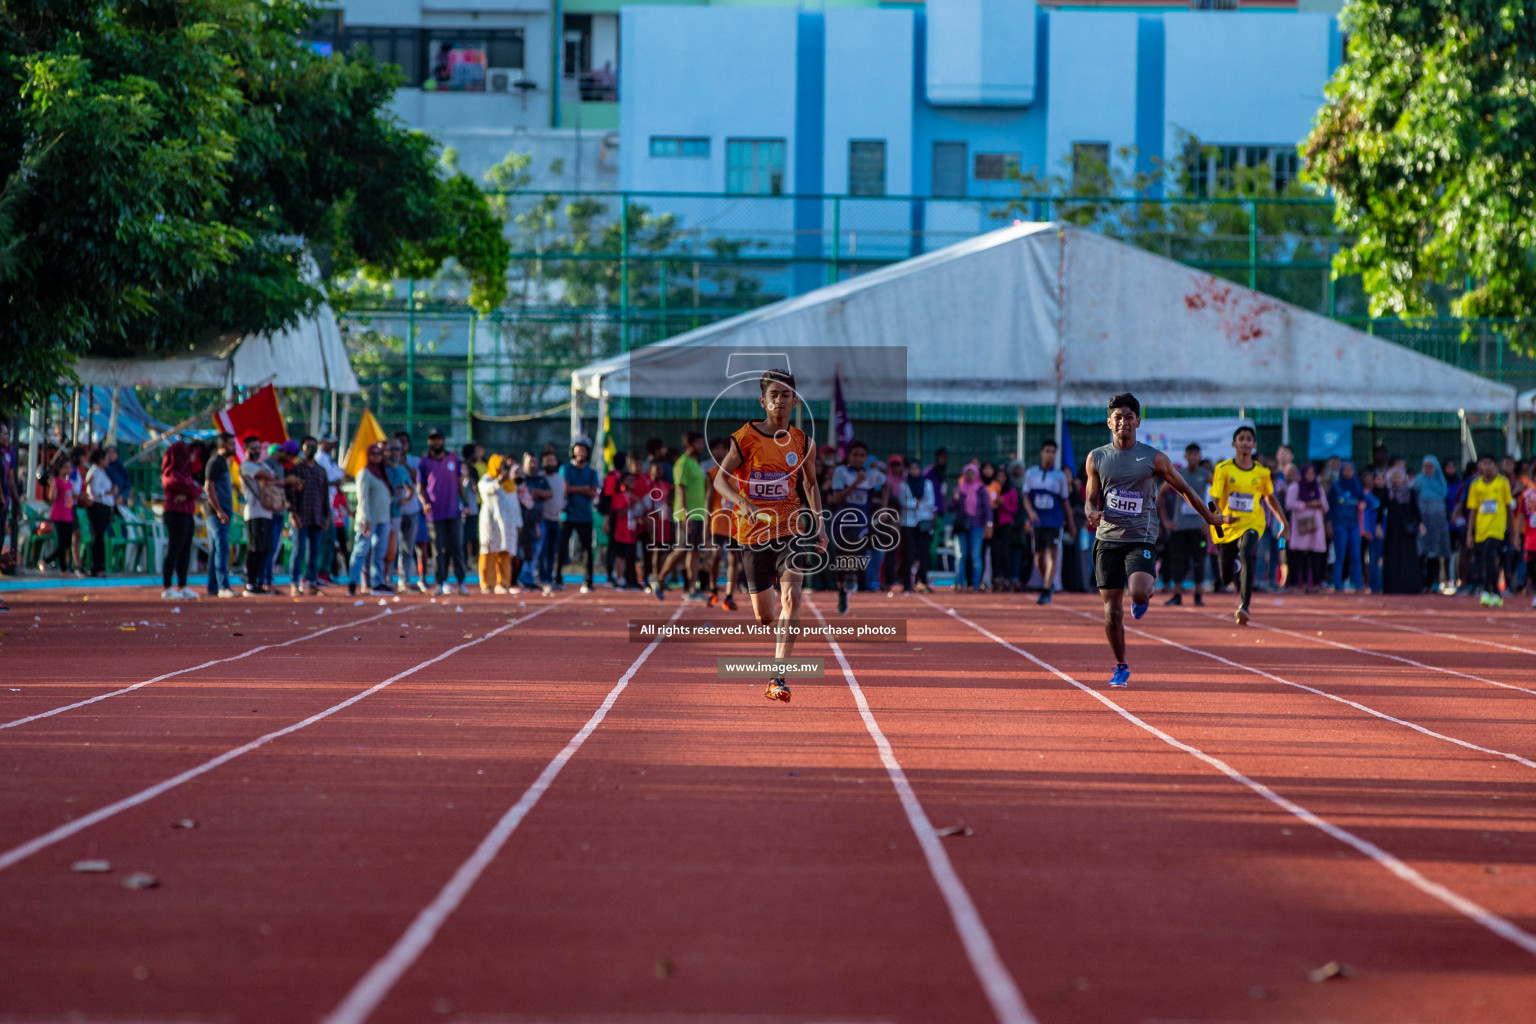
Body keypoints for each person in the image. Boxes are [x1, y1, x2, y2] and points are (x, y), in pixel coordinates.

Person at [1086, 393, 1225, 688]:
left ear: (1138, 421)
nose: (1123, 422)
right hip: (1108, 538)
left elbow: (1184, 489)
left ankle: (1144, 593)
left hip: (1140, 537)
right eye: (1117, 418)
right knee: (1111, 609)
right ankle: (1121, 666)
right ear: (1109, 422)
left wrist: (1209, 518)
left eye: (1128, 417)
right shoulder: (1097, 457)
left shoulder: (1153, 457)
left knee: (1137, 593)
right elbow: (1090, 496)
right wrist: (1090, 510)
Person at [712, 368, 828, 703]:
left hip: (790, 529)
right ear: (763, 401)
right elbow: (720, 481)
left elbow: (810, 484)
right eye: (773, 395)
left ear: (795, 400)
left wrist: (818, 524)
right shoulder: (745, 438)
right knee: (765, 617)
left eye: (786, 394)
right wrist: (742, 501)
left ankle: (778, 677)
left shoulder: (803, 443)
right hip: (752, 534)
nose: (779, 400)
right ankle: (775, 626)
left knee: (792, 599)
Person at [1209, 425, 1288, 625]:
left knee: (1246, 552)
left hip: (1253, 522)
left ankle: (1244, 606)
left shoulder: (1262, 472)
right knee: (1225, 576)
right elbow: (1213, 501)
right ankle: (1234, 567)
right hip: (1227, 525)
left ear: (1254, 445)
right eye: (1241, 439)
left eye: (1248, 439)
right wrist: (1218, 518)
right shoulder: (1224, 469)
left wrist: (1283, 522)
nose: (1245, 442)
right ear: (1234, 444)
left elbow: (1270, 498)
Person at [651, 431, 710, 601]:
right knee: (681, 550)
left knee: (695, 552)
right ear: (689, 445)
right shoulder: (682, 463)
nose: (701, 446)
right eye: (698, 443)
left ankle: (692, 589)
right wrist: (685, 513)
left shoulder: (695, 463)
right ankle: (660, 580)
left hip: (699, 514)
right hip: (686, 515)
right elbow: (680, 489)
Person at [829, 440, 885, 612]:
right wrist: (855, 484)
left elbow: (887, 481)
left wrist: (883, 507)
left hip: (861, 522)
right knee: (840, 557)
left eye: (862, 456)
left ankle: (856, 583)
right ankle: (842, 590)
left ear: (866, 458)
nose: (859, 459)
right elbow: (837, 499)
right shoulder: (841, 472)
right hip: (841, 522)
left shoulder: (872, 475)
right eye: (855, 455)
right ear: (849, 456)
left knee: (857, 546)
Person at [417, 428, 468, 596]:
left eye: (439, 439)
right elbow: (420, 488)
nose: (436, 442)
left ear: (443, 440)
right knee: (438, 549)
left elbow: (460, 484)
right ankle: (440, 582)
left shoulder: (453, 458)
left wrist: (465, 503)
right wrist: (424, 503)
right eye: (433, 439)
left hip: (453, 511)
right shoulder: (424, 462)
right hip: (434, 513)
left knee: (457, 547)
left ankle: (461, 582)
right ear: (429, 441)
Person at [1161, 442, 1212, 607]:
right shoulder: (1177, 474)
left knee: (1199, 560)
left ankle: (1198, 594)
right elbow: (1160, 495)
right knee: (1178, 560)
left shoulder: (1205, 475)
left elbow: (1218, 496)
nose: (1193, 457)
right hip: (1180, 526)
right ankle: (1177, 594)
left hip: (1198, 526)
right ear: (1185, 456)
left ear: (1200, 456)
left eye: (1196, 454)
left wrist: (1210, 519)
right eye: (1190, 454)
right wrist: (1166, 521)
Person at [1023, 439, 1074, 605]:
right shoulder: (1031, 474)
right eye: (1047, 451)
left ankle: (1046, 588)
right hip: (1038, 521)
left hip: (1054, 521)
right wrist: (1030, 512)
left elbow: (1065, 501)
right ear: (1041, 452)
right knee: (1038, 557)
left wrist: (1070, 524)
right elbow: (1025, 496)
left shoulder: (1059, 476)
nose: (1050, 455)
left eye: (1053, 452)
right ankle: (1048, 581)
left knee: (1052, 553)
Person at [1465, 455, 1514, 606]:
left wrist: (1512, 531)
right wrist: (1469, 533)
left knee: (1490, 554)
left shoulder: (1502, 483)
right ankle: (1496, 593)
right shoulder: (1475, 485)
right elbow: (1473, 510)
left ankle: (1486, 590)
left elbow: (1508, 507)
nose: (1487, 467)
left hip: (1497, 528)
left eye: (1490, 463)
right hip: (1481, 528)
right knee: (1487, 559)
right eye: (1483, 463)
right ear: (1479, 466)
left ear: (1495, 466)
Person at [285, 437, 330, 596]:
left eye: (313, 445)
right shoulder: (296, 469)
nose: (311, 448)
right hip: (301, 515)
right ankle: (294, 583)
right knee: (298, 550)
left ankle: (311, 583)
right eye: (308, 445)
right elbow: (289, 493)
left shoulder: (320, 470)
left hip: (317, 516)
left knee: (314, 551)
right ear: (302, 448)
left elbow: (325, 496)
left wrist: (327, 517)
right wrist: (292, 512)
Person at [160, 441, 203, 599]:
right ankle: (167, 587)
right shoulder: (171, 473)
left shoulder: (186, 472)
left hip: (187, 514)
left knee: (185, 550)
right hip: (175, 514)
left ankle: (183, 586)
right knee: (174, 549)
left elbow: (196, 489)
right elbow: (189, 488)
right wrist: (191, 492)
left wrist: (190, 493)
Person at [703, 438, 740, 609]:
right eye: (715, 449)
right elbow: (709, 499)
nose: (719, 453)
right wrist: (706, 523)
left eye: (722, 449)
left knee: (734, 559)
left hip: (736, 522)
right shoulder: (712, 473)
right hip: (718, 520)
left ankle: (729, 596)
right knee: (716, 555)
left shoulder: (741, 474)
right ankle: (713, 590)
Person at [477, 455, 522, 594]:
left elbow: (515, 504)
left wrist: (518, 522)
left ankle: (503, 583)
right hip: (490, 523)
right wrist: (498, 480)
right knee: (488, 551)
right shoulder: (486, 479)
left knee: (504, 552)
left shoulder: (510, 484)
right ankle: (487, 583)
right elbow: (486, 489)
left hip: (506, 524)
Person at [561, 441, 601, 593]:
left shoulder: (591, 472)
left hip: (585, 516)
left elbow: (593, 492)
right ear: (573, 452)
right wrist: (584, 488)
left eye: (584, 450)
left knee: (587, 550)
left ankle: (588, 581)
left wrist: (576, 489)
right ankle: (557, 579)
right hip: (567, 515)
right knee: (562, 547)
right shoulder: (566, 468)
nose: (581, 453)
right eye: (578, 450)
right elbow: (566, 489)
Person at [893, 456, 936, 594]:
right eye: (911, 468)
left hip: (923, 522)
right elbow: (903, 502)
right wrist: (916, 503)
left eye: (916, 468)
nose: (914, 471)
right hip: (908, 523)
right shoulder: (903, 485)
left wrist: (916, 504)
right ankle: (907, 583)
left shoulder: (927, 483)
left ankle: (923, 581)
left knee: (923, 553)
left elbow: (930, 502)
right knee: (908, 553)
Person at [238, 435, 275, 595]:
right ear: (246, 449)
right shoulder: (246, 465)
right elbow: (267, 475)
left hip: (267, 512)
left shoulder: (260, 465)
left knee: (265, 548)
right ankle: (250, 583)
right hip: (253, 512)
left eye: (259, 448)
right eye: (253, 448)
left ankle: (256, 582)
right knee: (255, 547)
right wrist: (266, 474)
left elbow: (273, 475)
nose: (257, 451)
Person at [1284, 464, 1329, 593]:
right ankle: (1295, 584)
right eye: (1307, 473)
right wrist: (1307, 504)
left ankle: (1316, 584)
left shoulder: (1318, 487)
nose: (1310, 476)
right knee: (1298, 556)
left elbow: (1326, 506)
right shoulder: (1295, 487)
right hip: (1301, 526)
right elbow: (1289, 503)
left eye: (1312, 473)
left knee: (1316, 556)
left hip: (1316, 527)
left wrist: (1319, 504)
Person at [1412, 455, 1452, 594]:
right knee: (1420, 551)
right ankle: (1419, 581)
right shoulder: (1418, 481)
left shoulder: (1440, 483)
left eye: (1431, 466)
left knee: (1435, 553)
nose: (1428, 469)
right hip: (1422, 523)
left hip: (1438, 523)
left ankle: (1433, 582)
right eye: (1426, 466)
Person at [393, 432, 427, 593]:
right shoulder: (389, 464)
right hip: (394, 510)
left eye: (405, 442)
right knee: (391, 547)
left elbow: (417, 480)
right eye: (399, 442)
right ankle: (385, 580)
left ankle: (404, 580)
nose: (402, 445)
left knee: (408, 547)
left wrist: (403, 464)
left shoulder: (415, 461)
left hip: (412, 509)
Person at [1382, 464, 1423, 594]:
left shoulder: (1410, 492)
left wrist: (1421, 524)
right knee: (1392, 557)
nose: (1396, 480)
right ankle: (1392, 586)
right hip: (1392, 530)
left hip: (1407, 530)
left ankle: (1409, 586)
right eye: (1394, 477)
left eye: (1399, 477)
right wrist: (1378, 526)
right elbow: (1380, 510)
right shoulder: (1387, 492)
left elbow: (1416, 510)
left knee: (1408, 558)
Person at [203, 433, 236, 596]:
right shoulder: (215, 462)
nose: (234, 447)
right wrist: (219, 511)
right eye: (231, 444)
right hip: (216, 512)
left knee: (216, 549)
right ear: (222, 446)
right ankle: (223, 586)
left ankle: (213, 587)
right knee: (222, 548)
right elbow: (209, 487)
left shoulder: (224, 462)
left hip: (221, 511)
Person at [1326, 461, 1365, 593]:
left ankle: (1358, 585)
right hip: (1339, 525)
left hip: (1354, 525)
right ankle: (1338, 585)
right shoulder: (1335, 487)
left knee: (1356, 555)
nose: (1348, 472)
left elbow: (1365, 502)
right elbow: (1328, 507)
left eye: (1350, 470)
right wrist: (1329, 524)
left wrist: (1363, 504)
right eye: (1345, 470)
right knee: (1340, 555)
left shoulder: (1358, 487)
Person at [951, 464, 991, 593]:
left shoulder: (980, 489)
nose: (969, 476)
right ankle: (959, 583)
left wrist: (989, 524)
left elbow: (987, 508)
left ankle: (975, 584)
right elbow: (950, 508)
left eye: (972, 473)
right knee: (961, 556)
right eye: (967, 473)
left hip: (977, 526)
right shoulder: (959, 489)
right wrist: (955, 500)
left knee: (975, 556)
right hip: (962, 527)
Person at [82, 448, 116, 578]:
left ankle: (100, 566)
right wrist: (109, 492)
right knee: (97, 538)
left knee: (100, 537)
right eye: (106, 458)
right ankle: (96, 567)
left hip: (105, 507)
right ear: (101, 459)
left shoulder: (102, 472)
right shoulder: (94, 472)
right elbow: (95, 491)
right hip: (98, 507)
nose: (108, 460)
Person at [43, 454, 77, 574]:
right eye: (66, 467)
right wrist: (52, 486)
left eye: (69, 467)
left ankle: (45, 561)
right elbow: (52, 498)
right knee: (62, 543)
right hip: (58, 516)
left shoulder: (68, 483)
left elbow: (71, 499)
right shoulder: (57, 481)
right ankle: (63, 568)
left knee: (67, 543)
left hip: (68, 516)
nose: (68, 470)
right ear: (60, 469)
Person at [538, 451, 566, 591]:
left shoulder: (560, 479)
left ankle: (550, 577)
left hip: (555, 520)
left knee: (552, 552)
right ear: (542, 463)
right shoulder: (540, 478)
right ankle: (543, 579)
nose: (550, 463)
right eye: (547, 460)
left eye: (552, 460)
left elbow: (562, 497)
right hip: (542, 519)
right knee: (543, 551)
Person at [1361, 468, 1385, 593]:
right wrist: (1367, 530)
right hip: (1374, 531)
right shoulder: (1368, 495)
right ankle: (1375, 585)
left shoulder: (1388, 494)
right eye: (1378, 478)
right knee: (1374, 558)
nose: (1380, 481)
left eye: (1383, 479)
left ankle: (1385, 583)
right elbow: (1365, 513)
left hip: (1387, 530)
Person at [1517, 462, 1536, 608]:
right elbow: (1522, 515)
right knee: (1531, 566)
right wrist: (1517, 534)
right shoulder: (1527, 495)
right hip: (1530, 537)